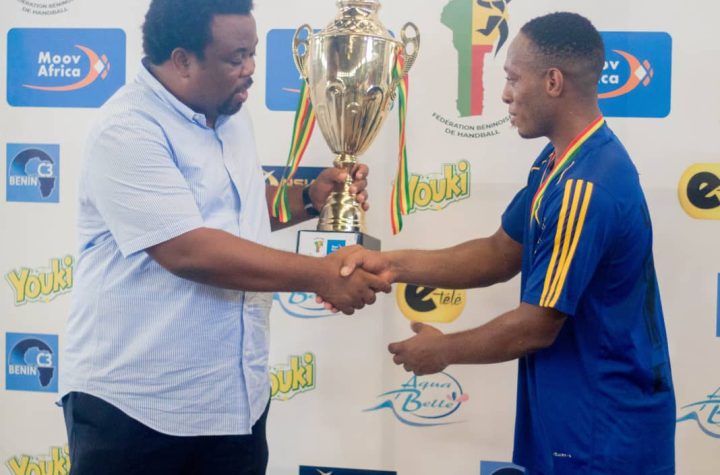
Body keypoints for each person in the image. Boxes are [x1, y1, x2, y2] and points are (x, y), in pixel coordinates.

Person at [336, 12, 676, 475]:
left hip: (602, 428)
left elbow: (537, 326)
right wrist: (389, 264)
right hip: (570, 415)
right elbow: (498, 252)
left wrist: (444, 350)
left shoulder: (587, 185)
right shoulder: (558, 161)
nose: (505, 94)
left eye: (513, 78)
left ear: (553, 82)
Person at [59, 0, 390, 474]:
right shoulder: (128, 129)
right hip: (138, 410)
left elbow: (234, 207)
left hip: (234, 403)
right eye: (236, 58)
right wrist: (320, 274)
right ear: (182, 60)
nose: (250, 68)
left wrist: (309, 199)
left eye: (252, 53)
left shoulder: (232, 116)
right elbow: (188, 249)